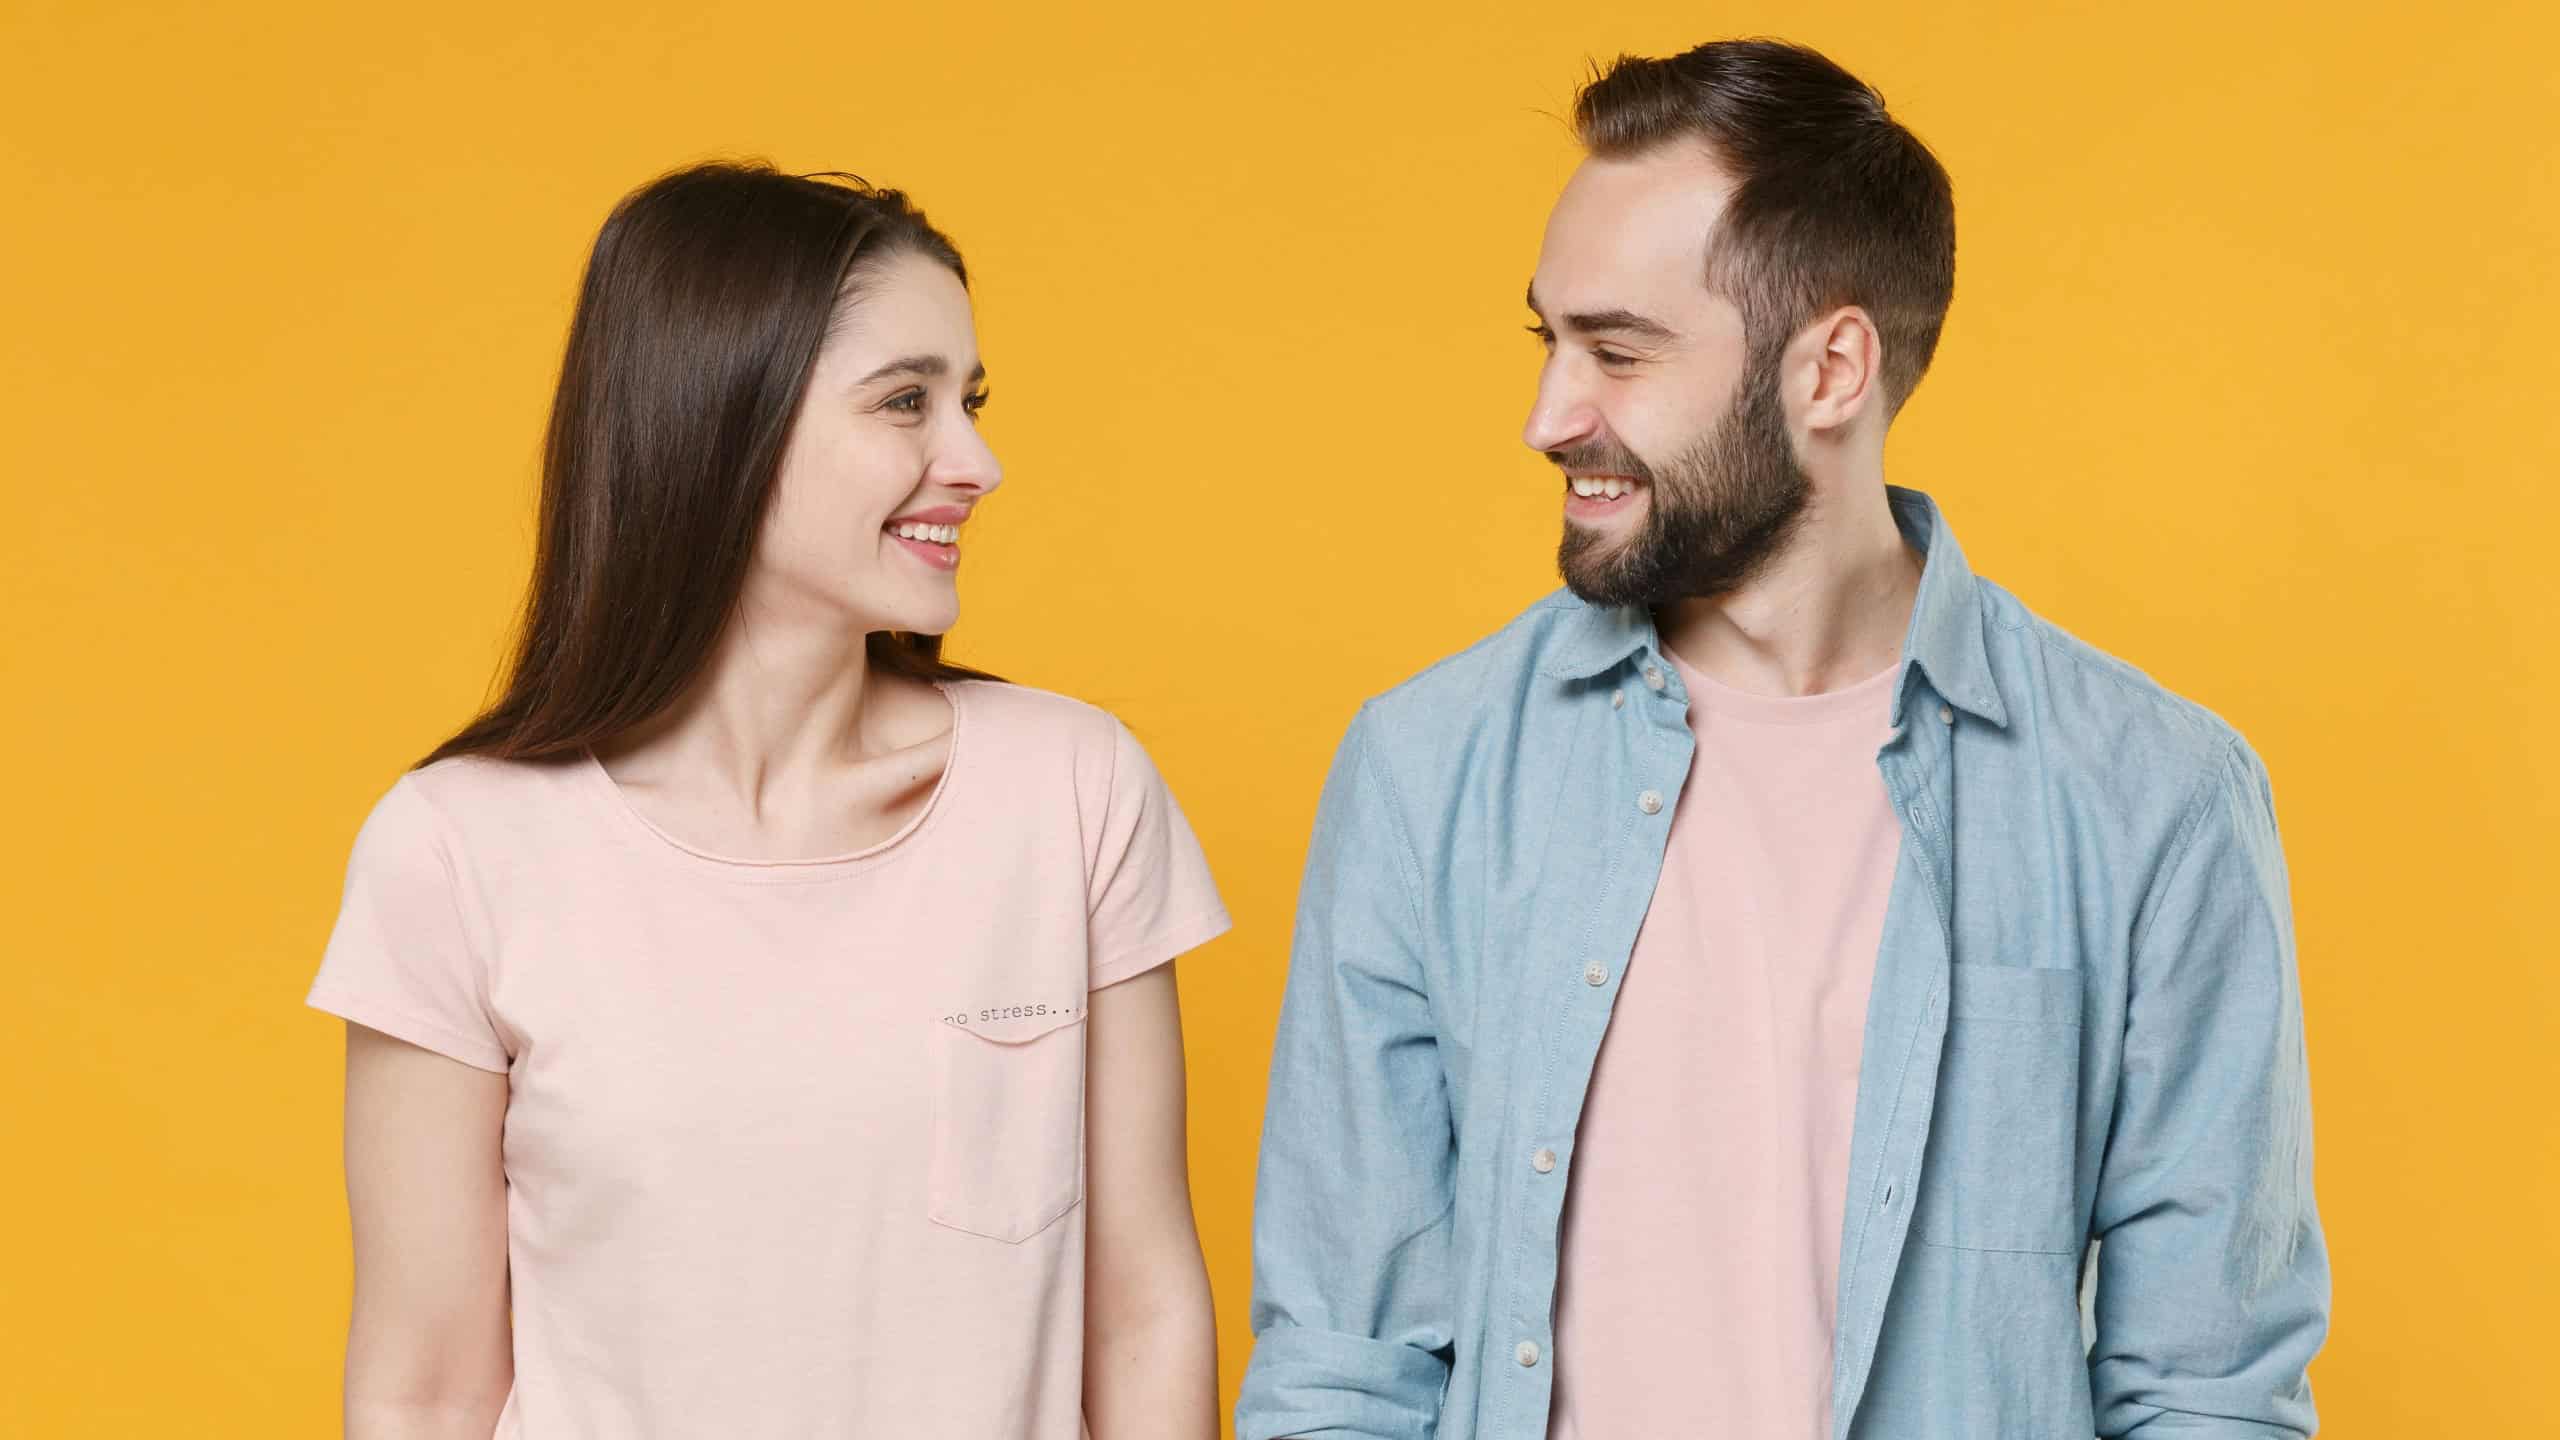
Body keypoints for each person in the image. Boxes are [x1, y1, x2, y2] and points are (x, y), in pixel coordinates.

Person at [1239, 39, 2327, 1440]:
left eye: (1617, 352)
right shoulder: (1426, 774)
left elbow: (2209, 1393)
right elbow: (1342, 1369)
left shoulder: (2155, 801)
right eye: (1548, 342)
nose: (1548, 417)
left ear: (1832, 370)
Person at [308, 162, 1228, 1438]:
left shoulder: (1070, 790)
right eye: (905, 401)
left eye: (967, 401)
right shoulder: (459, 849)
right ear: (718, 424)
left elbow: (1144, 1315)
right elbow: (425, 1390)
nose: (976, 460)